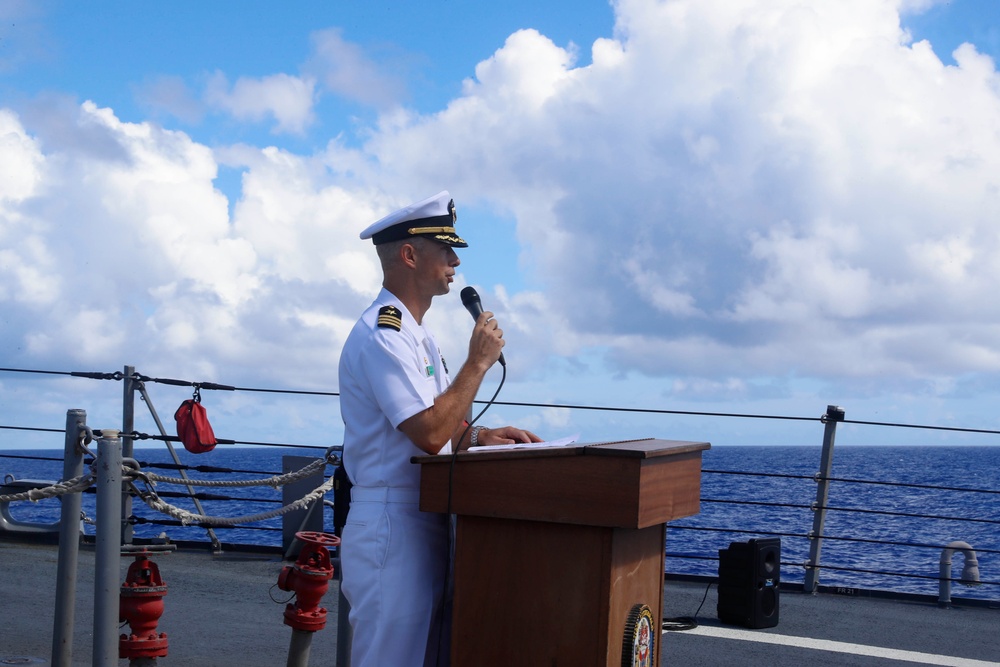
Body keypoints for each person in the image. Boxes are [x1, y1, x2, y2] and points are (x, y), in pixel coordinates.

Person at [338, 190, 542, 667]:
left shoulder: (416, 333)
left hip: (422, 516)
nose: (454, 261)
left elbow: (442, 426)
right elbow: (429, 434)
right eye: (445, 249)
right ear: (409, 255)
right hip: (393, 520)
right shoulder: (383, 334)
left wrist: (478, 436)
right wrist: (477, 364)